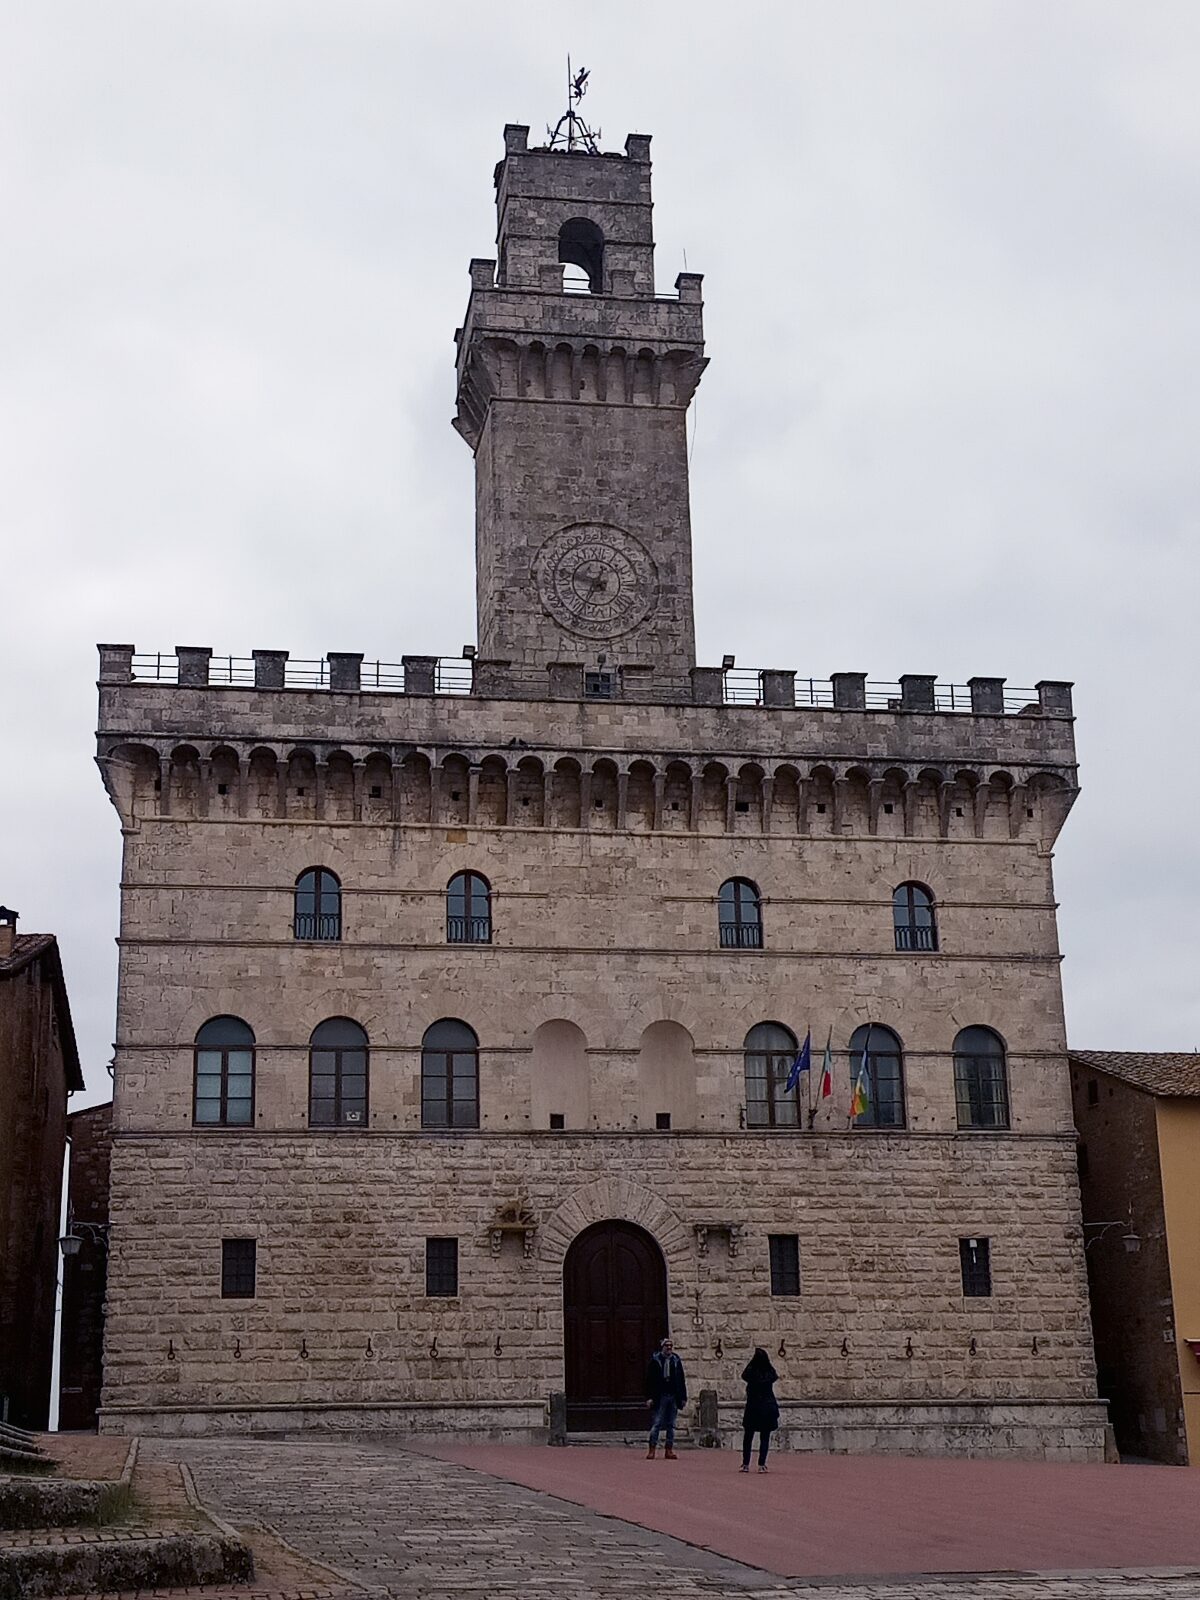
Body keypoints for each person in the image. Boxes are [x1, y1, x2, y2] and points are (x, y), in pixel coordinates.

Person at [645, 1337, 687, 1459]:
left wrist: (683, 1397)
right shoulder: (655, 1361)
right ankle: (652, 1449)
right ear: (662, 1347)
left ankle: (669, 1449)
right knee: (657, 1423)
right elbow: (649, 1381)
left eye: (670, 1346)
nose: (669, 1348)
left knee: (671, 1424)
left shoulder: (676, 1361)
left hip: (673, 1396)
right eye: (666, 1346)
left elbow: (681, 1379)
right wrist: (649, 1397)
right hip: (660, 1396)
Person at [740, 1346, 779, 1473]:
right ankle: (762, 1464)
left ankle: (745, 1463)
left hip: (753, 1408)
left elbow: (744, 1375)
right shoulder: (768, 1371)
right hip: (766, 1408)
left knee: (748, 1437)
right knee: (764, 1437)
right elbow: (774, 1376)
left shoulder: (752, 1372)